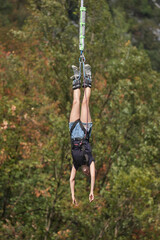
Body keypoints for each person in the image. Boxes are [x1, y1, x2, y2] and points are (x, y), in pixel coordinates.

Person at [69, 63, 95, 205]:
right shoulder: (90, 160)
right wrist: (91, 190)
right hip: (85, 130)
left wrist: (73, 195)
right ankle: (88, 78)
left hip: (73, 132)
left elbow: (71, 179)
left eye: (85, 174)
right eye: (88, 174)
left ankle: (76, 79)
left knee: (75, 102)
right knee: (85, 102)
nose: (87, 173)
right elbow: (94, 175)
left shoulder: (76, 163)